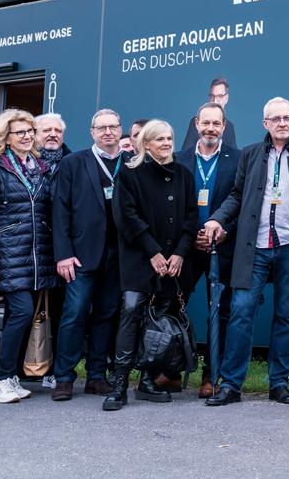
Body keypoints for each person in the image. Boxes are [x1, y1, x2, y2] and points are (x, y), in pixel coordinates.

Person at [204, 97, 289, 407]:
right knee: (242, 312)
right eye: (275, 119)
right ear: (265, 124)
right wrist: (217, 217)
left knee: (286, 316)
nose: (282, 123)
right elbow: (236, 195)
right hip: (253, 246)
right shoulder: (251, 154)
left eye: (287, 117)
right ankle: (231, 384)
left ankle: (279, 384)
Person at [103, 120, 195, 411]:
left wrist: (179, 253)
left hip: (173, 263)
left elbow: (192, 217)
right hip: (140, 259)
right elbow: (126, 216)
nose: (166, 143)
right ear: (146, 144)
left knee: (160, 320)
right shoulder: (130, 174)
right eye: (159, 139)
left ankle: (147, 380)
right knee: (132, 312)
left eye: (169, 138)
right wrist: (153, 251)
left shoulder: (184, 174)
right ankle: (119, 383)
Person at [0, 108, 58, 404]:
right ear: (5, 137)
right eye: (19, 132)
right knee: (22, 311)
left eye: (29, 131)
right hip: (8, 253)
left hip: (36, 255)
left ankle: (10, 377)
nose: (26, 136)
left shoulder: (39, 166)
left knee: (17, 314)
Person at [49, 109, 127, 401]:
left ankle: (96, 376)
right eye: (101, 128)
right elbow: (60, 210)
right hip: (80, 255)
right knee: (74, 314)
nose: (108, 132)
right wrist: (63, 254)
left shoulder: (130, 162)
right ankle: (64, 377)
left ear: (120, 130)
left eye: (113, 127)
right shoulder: (73, 163)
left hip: (118, 254)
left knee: (107, 315)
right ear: (92, 132)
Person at [173, 102, 240, 398]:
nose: (210, 128)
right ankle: (170, 371)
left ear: (224, 127)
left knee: (221, 313)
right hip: (186, 248)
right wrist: (189, 237)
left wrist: (224, 231)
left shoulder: (239, 160)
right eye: (206, 123)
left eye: (216, 123)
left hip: (222, 246)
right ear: (196, 124)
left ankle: (212, 375)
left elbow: (243, 202)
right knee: (174, 307)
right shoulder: (179, 159)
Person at [180, 77, 238, 152]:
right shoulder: (196, 123)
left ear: (226, 99)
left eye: (219, 96)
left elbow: (235, 158)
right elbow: (185, 155)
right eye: (212, 96)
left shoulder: (229, 127)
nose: (215, 101)